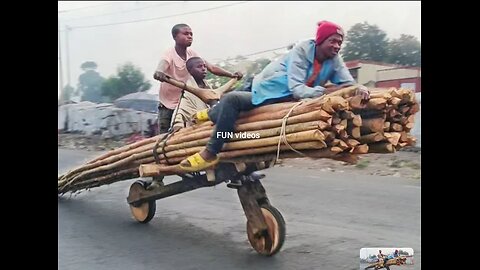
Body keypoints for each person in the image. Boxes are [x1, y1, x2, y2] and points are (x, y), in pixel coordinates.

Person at [178, 20, 370, 172]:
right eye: (333, 41)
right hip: (272, 88)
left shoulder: (334, 60)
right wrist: (325, 92)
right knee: (232, 100)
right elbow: (296, 88)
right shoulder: (303, 49)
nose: (337, 46)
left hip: (290, 97)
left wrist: (359, 88)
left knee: (231, 100)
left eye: (340, 42)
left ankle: (209, 115)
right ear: (320, 41)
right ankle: (211, 151)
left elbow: (348, 83)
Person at [153, 23, 242, 134]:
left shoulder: (192, 54)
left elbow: (212, 68)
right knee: (166, 136)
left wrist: (232, 75)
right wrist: (159, 72)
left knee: (190, 132)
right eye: (186, 34)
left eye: (191, 34)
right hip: (168, 105)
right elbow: (162, 64)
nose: (190, 36)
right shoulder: (169, 54)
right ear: (175, 37)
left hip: (186, 100)